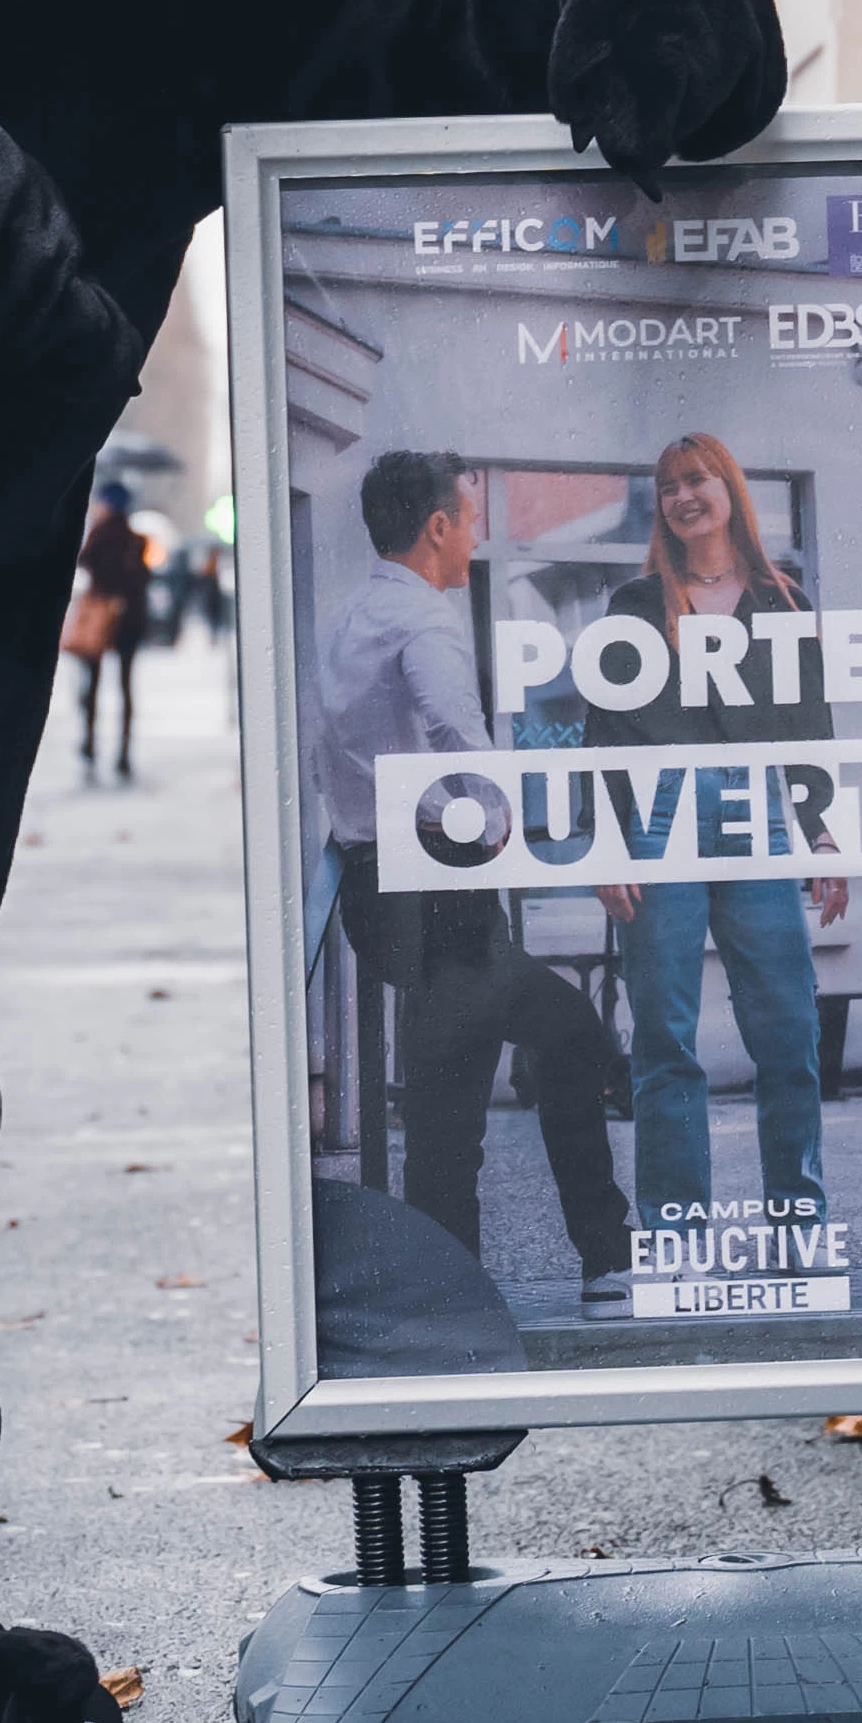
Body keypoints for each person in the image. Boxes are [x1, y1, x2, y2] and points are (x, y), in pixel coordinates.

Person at [305, 448, 629, 1310]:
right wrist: (497, 822)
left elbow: (329, 758)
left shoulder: (345, 620)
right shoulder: (424, 621)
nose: (477, 537)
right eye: (473, 519)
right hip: (437, 883)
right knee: (465, 1101)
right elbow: (454, 727)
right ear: (439, 525)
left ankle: (518, 1280)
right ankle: (569, 1273)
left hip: (379, 882)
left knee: (537, 1045)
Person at [583, 431, 835, 1272]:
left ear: (729, 487)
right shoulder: (634, 604)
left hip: (763, 811)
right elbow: (604, 732)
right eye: (668, 486)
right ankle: (676, 1238)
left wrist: (821, 828)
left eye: (698, 479)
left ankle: (800, 1231)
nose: (684, 496)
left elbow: (808, 730)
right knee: (665, 1038)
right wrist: (608, 839)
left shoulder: (784, 601)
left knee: (790, 1032)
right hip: (661, 814)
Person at [64, 480, 150, 779]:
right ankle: (124, 753)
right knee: (125, 687)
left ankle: (89, 742)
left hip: (101, 620)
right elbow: (143, 578)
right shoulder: (137, 539)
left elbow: (83, 561)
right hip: (130, 620)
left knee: (93, 683)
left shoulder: (100, 534)